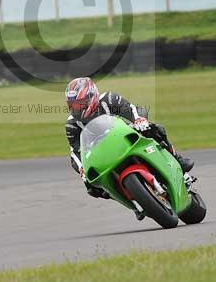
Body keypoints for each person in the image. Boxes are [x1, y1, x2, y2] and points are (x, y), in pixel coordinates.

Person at [64, 77, 194, 202]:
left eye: (79, 104)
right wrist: (82, 169)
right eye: (72, 105)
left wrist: (139, 119)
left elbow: (132, 109)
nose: (76, 108)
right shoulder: (72, 124)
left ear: (91, 97)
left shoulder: (108, 99)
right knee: (92, 188)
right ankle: (127, 198)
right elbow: (75, 152)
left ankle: (177, 159)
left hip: (124, 136)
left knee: (155, 130)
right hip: (102, 153)